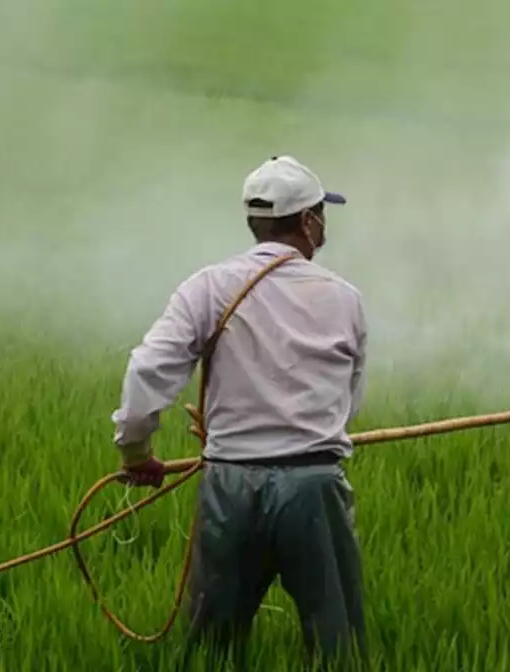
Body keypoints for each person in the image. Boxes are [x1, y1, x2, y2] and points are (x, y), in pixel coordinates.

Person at [109, 155, 369, 669]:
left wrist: (136, 453)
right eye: (322, 213)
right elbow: (349, 400)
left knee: (214, 648)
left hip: (230, 486)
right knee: (338, 645)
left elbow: (147, 370)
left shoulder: (207, 286)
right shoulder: (345, 299)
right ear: (307, 221)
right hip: (314, 485)